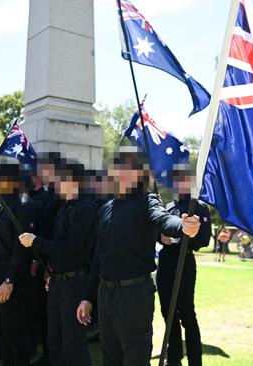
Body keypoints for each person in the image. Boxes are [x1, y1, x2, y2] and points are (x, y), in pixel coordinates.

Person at [76, 147, 202, 366]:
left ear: (138, 173)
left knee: (135, 359)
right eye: (118, 166)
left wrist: (182, 225)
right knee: (110, 358)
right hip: (105, 294)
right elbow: (99, 256)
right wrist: (87, 296)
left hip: (134, 295)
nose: (121, 171)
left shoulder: (147, 200)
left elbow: (163, 220)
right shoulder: (106, 207)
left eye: (129, 167)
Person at [19, 161, 96, 365]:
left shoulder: (85, 209)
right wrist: (51, 271)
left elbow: (70, 248)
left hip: (75, 284)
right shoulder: (63, 209)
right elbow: (58, 246)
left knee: (73, 344)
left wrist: (36, 241)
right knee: (54, 341)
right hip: (57, 283)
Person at [0, 160, 36, 366]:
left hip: (11, 277)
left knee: (15, 331)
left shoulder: (22, 206)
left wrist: (9, 279)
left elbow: (21, 249)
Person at [156, 166, 211, 366]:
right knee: (167, 312)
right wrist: (162, 238)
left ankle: (195, 361)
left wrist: (177, 240)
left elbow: (204, 239)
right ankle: (174, 358)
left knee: (186, 313)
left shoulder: (198, 207)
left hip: (185, 262)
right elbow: (159, 232)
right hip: (166, 263)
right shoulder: (168, 207)